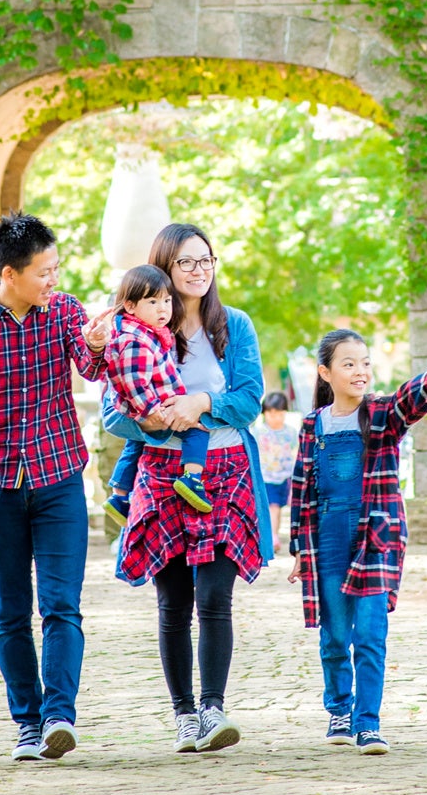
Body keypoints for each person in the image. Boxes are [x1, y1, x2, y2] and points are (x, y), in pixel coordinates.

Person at [0, 212, 110, 763]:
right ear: (10, 274)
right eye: (44, 271)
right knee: (10, 613)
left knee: (62, 605)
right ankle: (27, 724)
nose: (53, 279)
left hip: (60, 474)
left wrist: (95, 345)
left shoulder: (65, 310)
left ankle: (60, 716)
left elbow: (91, 368)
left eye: (56, 268)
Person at [108, 222, 270, 755]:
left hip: (226, 471)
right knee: (173, 602)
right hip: (162, 474)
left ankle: (213, 709)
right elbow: (113, 413)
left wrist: (201, 403)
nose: (199, 271)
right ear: (164, 267)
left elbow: (249, 399)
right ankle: (183, 716)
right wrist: (155, 421)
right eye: (186, 262)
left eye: (206, 260)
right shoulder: (140, 325)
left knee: (215, 596)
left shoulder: (234, 325)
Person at [285, 330, 427, 755]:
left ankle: (368, 724)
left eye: (365, 363)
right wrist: (299, 547)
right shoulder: (312, 425)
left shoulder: (381, 414)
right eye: (349, 364)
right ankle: (339, 710)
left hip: (374, 537)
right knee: (335, 636)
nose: (360, 372)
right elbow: (301, 488)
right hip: (326, 538)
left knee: (371, 635)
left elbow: (410, 399)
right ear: (325, 372)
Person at [102, 265, 210, 512]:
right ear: (130, 306)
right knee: (197, 431)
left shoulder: (144, 332)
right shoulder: (136, 340)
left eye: (167, 300)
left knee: (135, 444)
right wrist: (152, 411)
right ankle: (192, 479)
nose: (162, 308)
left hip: (144, 407)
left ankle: (119, 496)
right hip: (154, 407)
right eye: (152, 302)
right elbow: (134, 381)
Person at [251, 390, 297, 549]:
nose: (275, 417)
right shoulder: (259, 432)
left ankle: (275, 534)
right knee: (273, 507)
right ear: (264, 413)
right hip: (267, 477)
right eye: (271, 414)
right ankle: (273, 537)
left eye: (279, 414)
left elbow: (294, 452)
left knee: (282, 507)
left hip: (285, 477)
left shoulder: (291, 432)